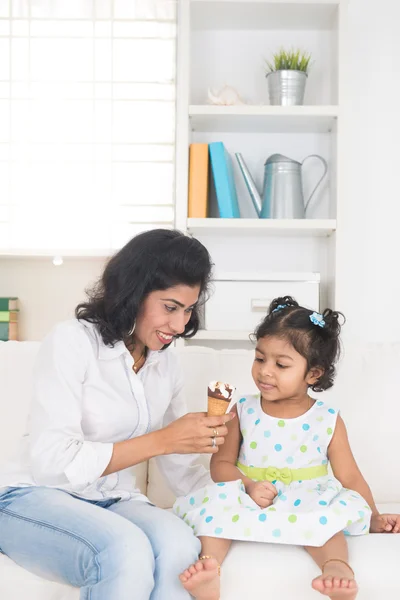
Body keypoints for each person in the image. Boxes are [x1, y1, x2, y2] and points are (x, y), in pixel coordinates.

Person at [0, 228, 235, 600]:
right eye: (170, 307)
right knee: (124, 548)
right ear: (134, 292)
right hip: (30, 495)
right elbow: (50, 463)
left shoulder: (166, 364)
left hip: (110, 499)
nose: (178, 326)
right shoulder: (72, 341)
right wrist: (162, 440)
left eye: (187, 310)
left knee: (178, 544)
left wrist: (242, 492)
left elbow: (180, 470)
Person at [174, 296, 400, 600]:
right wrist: (249, 485)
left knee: (327, 523)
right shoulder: (242, 410)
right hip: (251, 493)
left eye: (281, 364)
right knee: (215, 512)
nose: (265, 371)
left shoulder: (327, 419)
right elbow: (220, 466)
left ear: (313, 374)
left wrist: (373, 516)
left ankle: (336, 568)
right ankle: (209, 569)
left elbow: (351, 478)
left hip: (308, 496)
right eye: (259, 358)